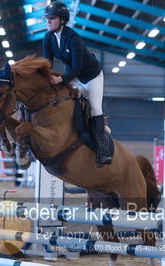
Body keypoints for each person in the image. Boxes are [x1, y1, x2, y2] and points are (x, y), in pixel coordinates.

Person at [42, 1, 112, 167]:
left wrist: (61, 79)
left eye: (52, 18)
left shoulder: (73, 37)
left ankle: (102, 150)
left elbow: (79, 68)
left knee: (95, 108)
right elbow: (47, 64)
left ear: (63, 20)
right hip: (73, 74)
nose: (48, 21)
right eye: (47, 18)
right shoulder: (48, 38)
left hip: (91, 75)